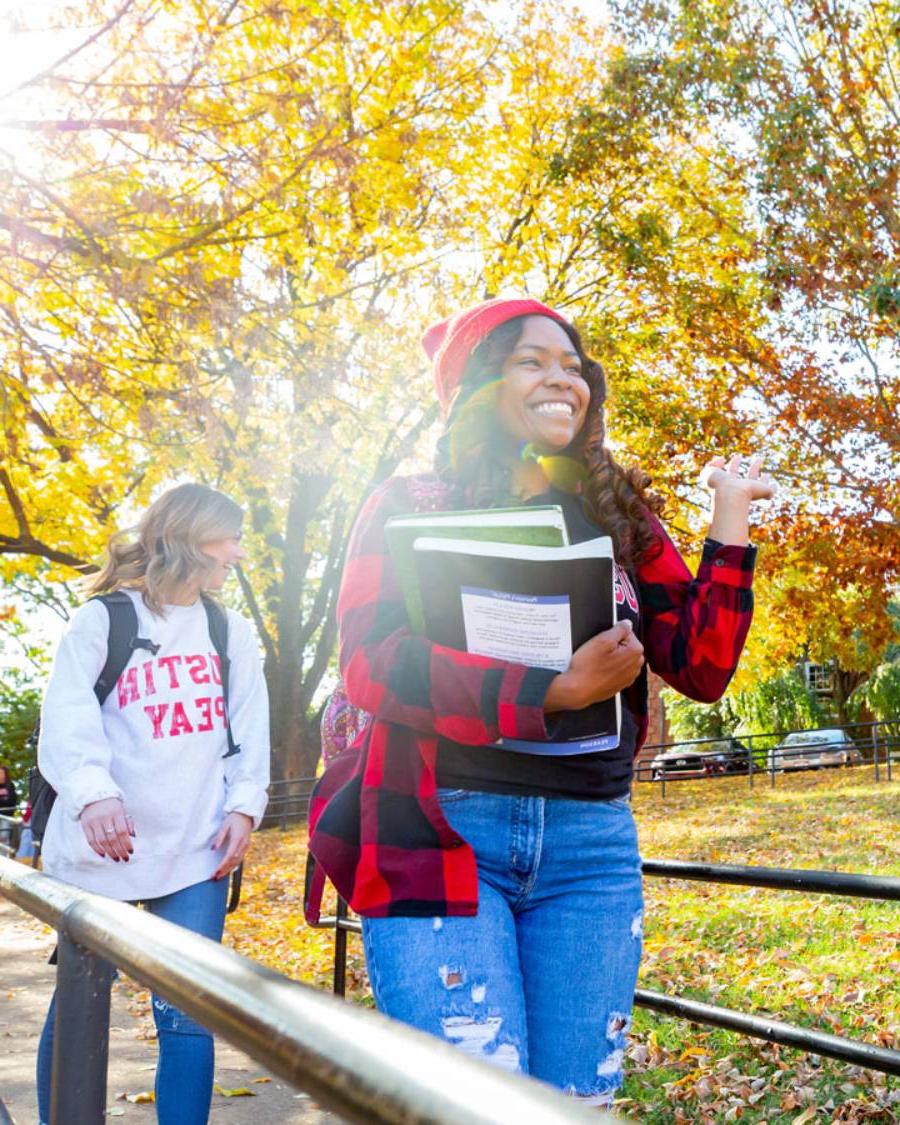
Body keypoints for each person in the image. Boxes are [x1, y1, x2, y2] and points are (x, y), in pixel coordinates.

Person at [307, 297, 773, 1106]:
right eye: (533, 361)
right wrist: (548, 690)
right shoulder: (408, 502)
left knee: (573, 1109)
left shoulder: (617, 510)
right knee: (475, 1107)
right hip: (442, 833)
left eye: (573, 366)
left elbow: (700, 665)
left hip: (590, 850)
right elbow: (371, 662)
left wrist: (729, 529)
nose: (566, 381)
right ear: (478, 386)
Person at [36, 483, 270, 1125]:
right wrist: (93, 797)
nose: (239, 554)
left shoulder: (229, 630)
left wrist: (245, 809)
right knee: (82, 1004)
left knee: (189, 1015)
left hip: (195, 851)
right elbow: (66, 721)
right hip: (102, 849)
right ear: (189, 538)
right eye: (229, 539)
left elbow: (248, 729)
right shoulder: (104, 620)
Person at [0, 764, 19, 847]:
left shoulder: (10, 786)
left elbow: (12, 801)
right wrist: (4, 801)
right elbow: (7, 802)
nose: (1, 776)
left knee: (4, 837)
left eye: (2, 773)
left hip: (6, 816)